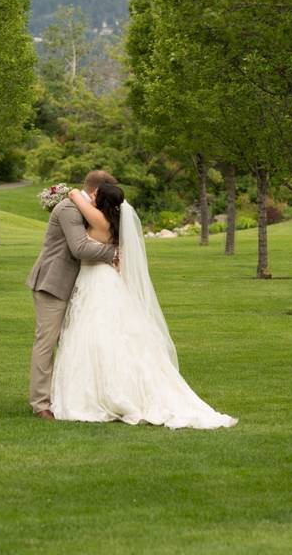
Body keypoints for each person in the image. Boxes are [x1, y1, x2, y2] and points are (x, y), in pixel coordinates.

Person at [49, 183, 237, 430]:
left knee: (94, 334)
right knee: (112, 335)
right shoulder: (114, 221)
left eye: (96, 195)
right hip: (107, 280)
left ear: (102, 201)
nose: (91, 197)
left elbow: (75, 194)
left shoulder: (97, 219)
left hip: (96, 281)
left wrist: (66, 191)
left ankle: (100, 394)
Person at [26, 170, 119, 419]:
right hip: (53, 283)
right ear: (95, 192)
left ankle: (68, 396)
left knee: (72, 344)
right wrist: (115, 253)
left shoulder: (88, 208)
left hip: (78, 287)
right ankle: (40, 403)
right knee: (46, 342)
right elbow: (79, 248)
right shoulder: (69, 209)